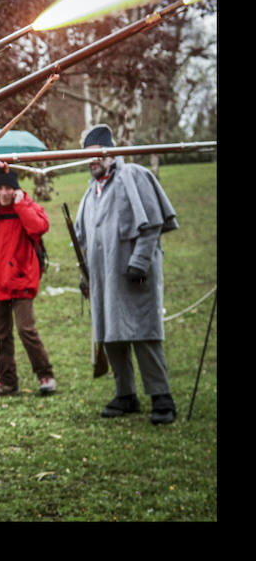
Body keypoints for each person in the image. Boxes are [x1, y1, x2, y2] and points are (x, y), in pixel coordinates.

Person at [74, 124, 179, 425]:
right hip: (102, 278)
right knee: (110, 335)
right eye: (88, 157)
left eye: (97, 156)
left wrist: (139, 263)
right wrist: (86, 276)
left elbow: (152, 223)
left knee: (144, 333)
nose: (92, 162)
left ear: (110, 153)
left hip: (134, 273)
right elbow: (84, 240)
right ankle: (125, 395)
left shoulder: (132, 175)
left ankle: (162, 398)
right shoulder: (89, 192)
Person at [0, 170, 57, 397]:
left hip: (21, 281)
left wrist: (21, 205)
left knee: (26, 330)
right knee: (1, 336)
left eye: (8, 188)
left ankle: (45, 375)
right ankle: (7, 381)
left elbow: (39, 227)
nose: (4, 193)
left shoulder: (27, 206)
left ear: (16, 189)